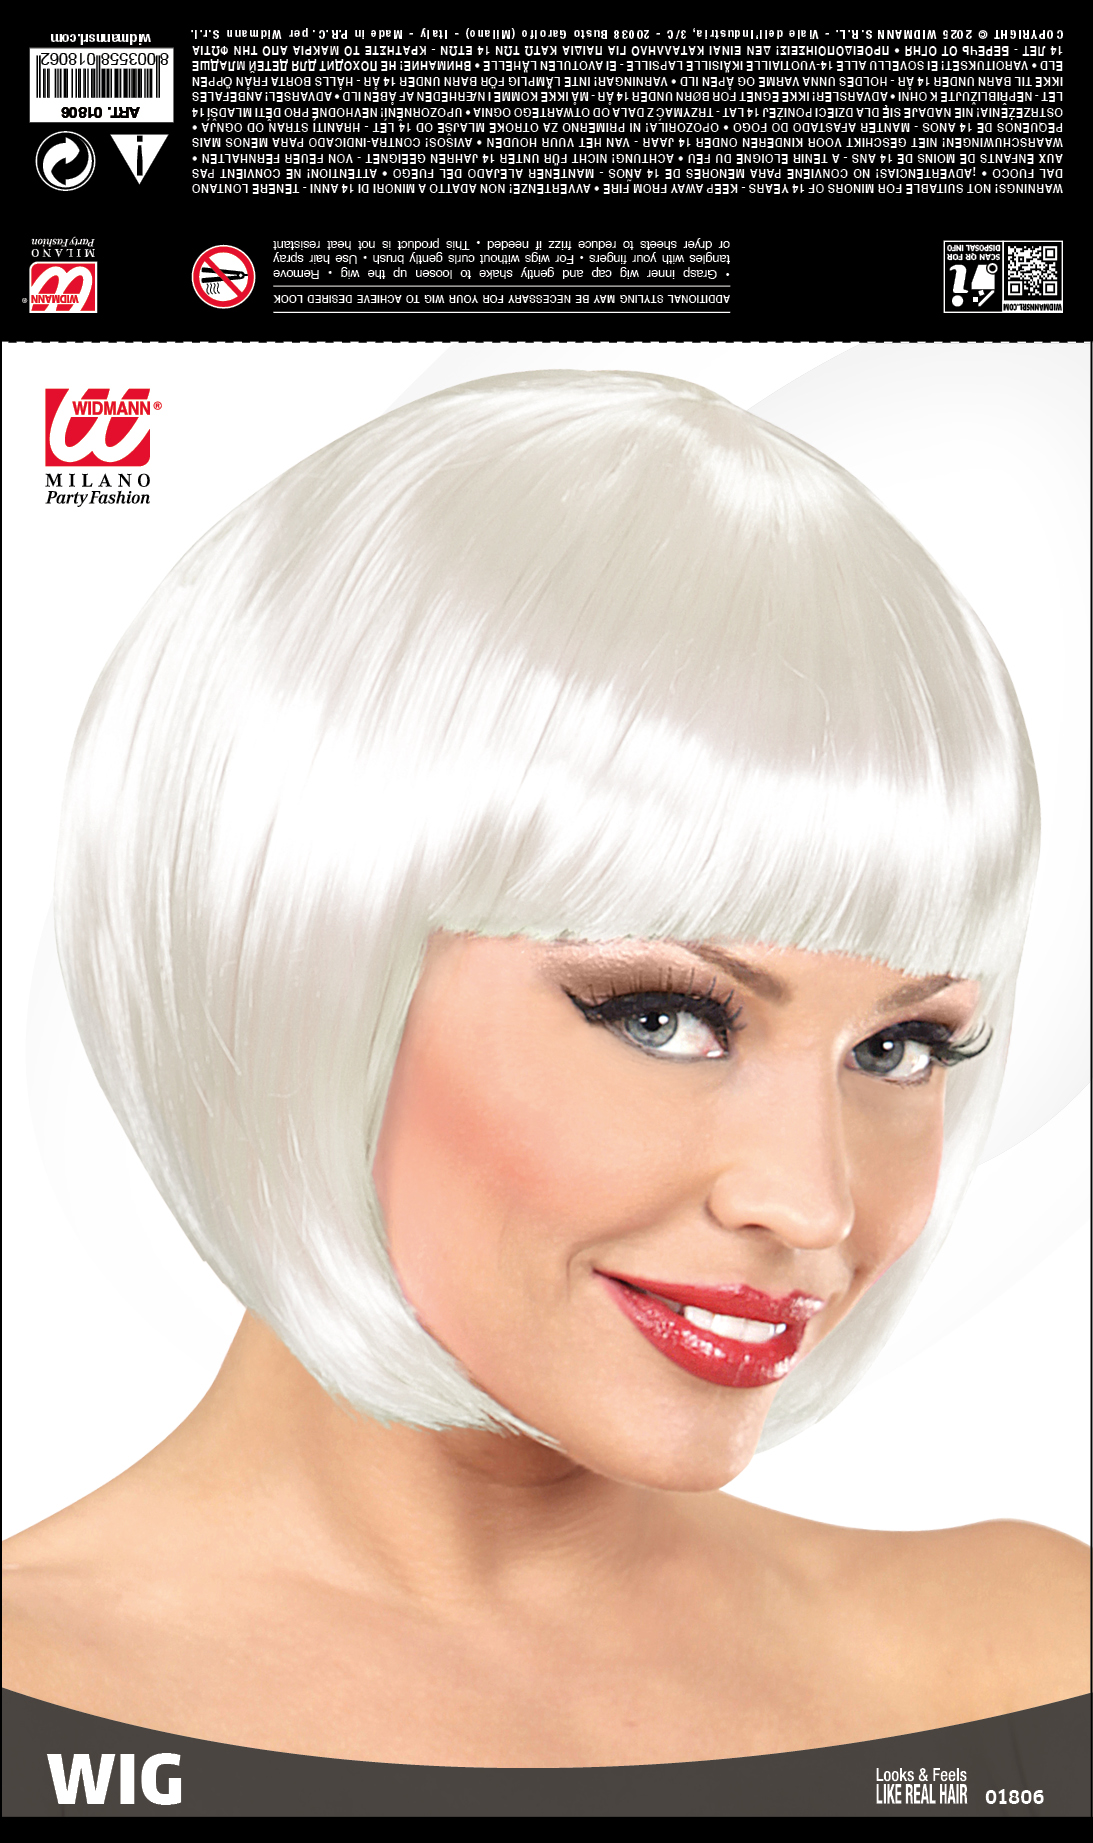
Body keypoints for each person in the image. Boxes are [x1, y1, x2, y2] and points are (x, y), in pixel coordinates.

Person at [3, 372, 1087, 1767]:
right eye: (664, 1019)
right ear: (298, 969)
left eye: (897, 1047)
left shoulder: (1023, 1660)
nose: (811, 1204)